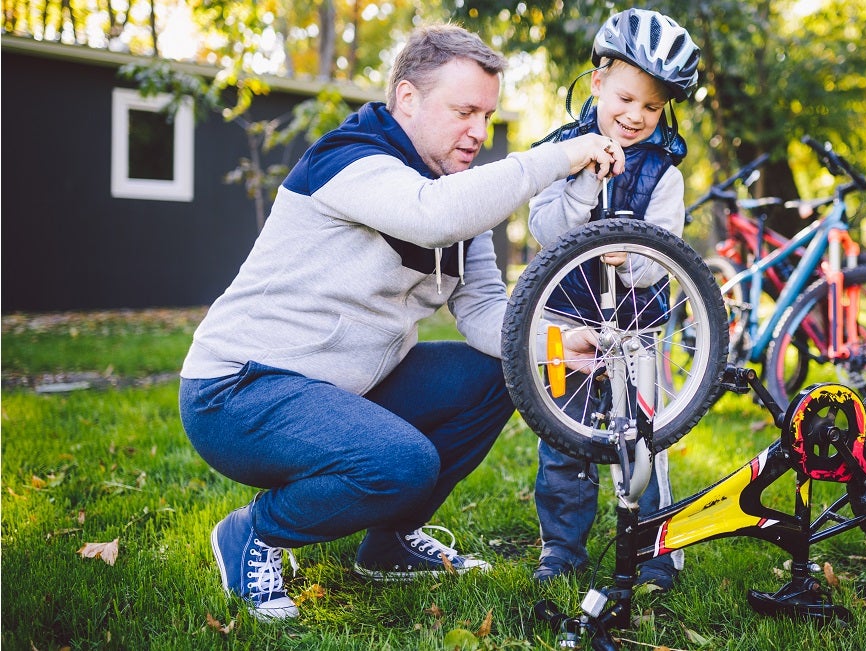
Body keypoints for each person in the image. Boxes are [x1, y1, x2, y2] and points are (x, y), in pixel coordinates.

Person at [179, 23, 624, 622]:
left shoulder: (455, 190)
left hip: (340, 389)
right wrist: (565, 153)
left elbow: (486, 310)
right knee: (402, 462)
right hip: (238, 390)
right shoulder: (350, 157)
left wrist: (550, 344)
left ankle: (388, 543)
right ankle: (254, 533)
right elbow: (431, 217)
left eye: (487, 116)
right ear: (407, 98)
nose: (479, 132)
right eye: (464, 110)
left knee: (506, 369)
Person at [525, 8, 701, 591]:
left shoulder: (663, 174)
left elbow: (663, 261)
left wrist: (634, 258)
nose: (636, 116)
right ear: (598, 82)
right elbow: (546, 230)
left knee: (642, 441)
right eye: (626, 98)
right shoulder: (560, 152)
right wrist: (584, 181)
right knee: (564, 440)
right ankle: (563, 548)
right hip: (565, 318)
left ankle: (655, 550)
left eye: (652, 108)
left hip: (636, 329)